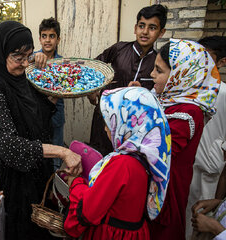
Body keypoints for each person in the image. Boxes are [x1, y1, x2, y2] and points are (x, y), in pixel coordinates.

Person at [0, 21, 82, 240]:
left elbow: (37, 119)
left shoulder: (20, 81)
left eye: (28, 56)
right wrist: (61, 151)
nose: (25, 63)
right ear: (1, 52)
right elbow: (9, 146)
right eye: (18, 57)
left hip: (33, 178)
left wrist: (53, 93)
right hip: (14, 186)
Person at [64, 87, 171, 240]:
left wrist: (75, 183)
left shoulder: (122, 164)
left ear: (127, 123)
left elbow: (88, 211)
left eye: (111, 121)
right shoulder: (148, 157)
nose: (106, 127)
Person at [148, 39, 221, 240]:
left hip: (167, 188)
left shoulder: (189, 111)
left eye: (159, 71)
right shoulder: (170, 99)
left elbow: (156, 152)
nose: (152, 75)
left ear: (182, 76)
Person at [88, 4, 167, 156]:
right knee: (97, 156)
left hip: (136, 127)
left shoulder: (158, 63)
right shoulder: (119, 49)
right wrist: (92, 91)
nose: (145, 32)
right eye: (142, 26)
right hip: (105, 117)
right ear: (135, 28)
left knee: (124, 165)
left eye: (152, 28)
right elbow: (93, 67)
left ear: (161, 32)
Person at [186, 36, 226, 239]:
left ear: (221, 62)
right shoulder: (190, 88)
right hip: (188, 168)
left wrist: (219, 198)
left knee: (201, 224)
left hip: (210, 174)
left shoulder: (225, 94)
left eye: (207, 56)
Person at [35, 17, 65, 170]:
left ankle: (54, 188)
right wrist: (33, 58)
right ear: (39, 38)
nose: (48, 40)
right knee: (39, 152)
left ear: (58, 39)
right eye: (44, 36)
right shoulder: (33, 59)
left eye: (52, 36)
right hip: (36, 115)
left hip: (56, 117)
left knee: (56, 157)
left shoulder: (63, 63)